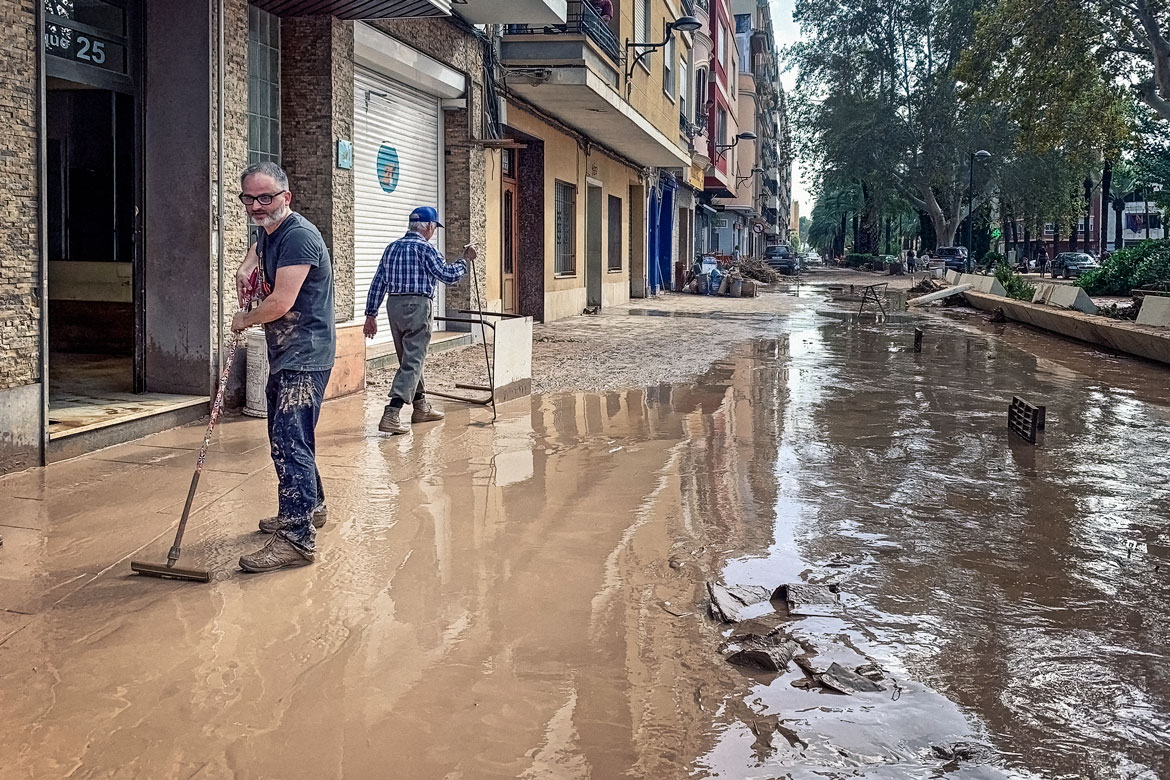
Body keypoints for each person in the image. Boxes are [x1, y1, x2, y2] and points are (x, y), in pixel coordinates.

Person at [231, 161, 335, 574]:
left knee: (289, 441)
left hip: (305, 356)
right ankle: (311, 506)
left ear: (286, 198)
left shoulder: (299, 237)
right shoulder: (270, 229)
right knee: (293, 436)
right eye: (249, 198)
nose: (257, 206)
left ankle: (297, 538)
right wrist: (246, 263)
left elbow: (280, 304)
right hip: (288, 353)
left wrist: (244, 318)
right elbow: (261, 240)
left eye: (266, 197)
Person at [364, 206, 477, 435]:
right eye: (434, 227)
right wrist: (465, 260)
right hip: (417, 306)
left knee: (410, 359)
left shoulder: (391, 248)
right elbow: (447, 275)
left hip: (394, 306)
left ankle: (421, 406)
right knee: (413, 361)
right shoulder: (426, 249)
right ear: (427, 226)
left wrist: (371, 315)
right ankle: (392, 413)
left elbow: (378, 282)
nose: (434, 232)